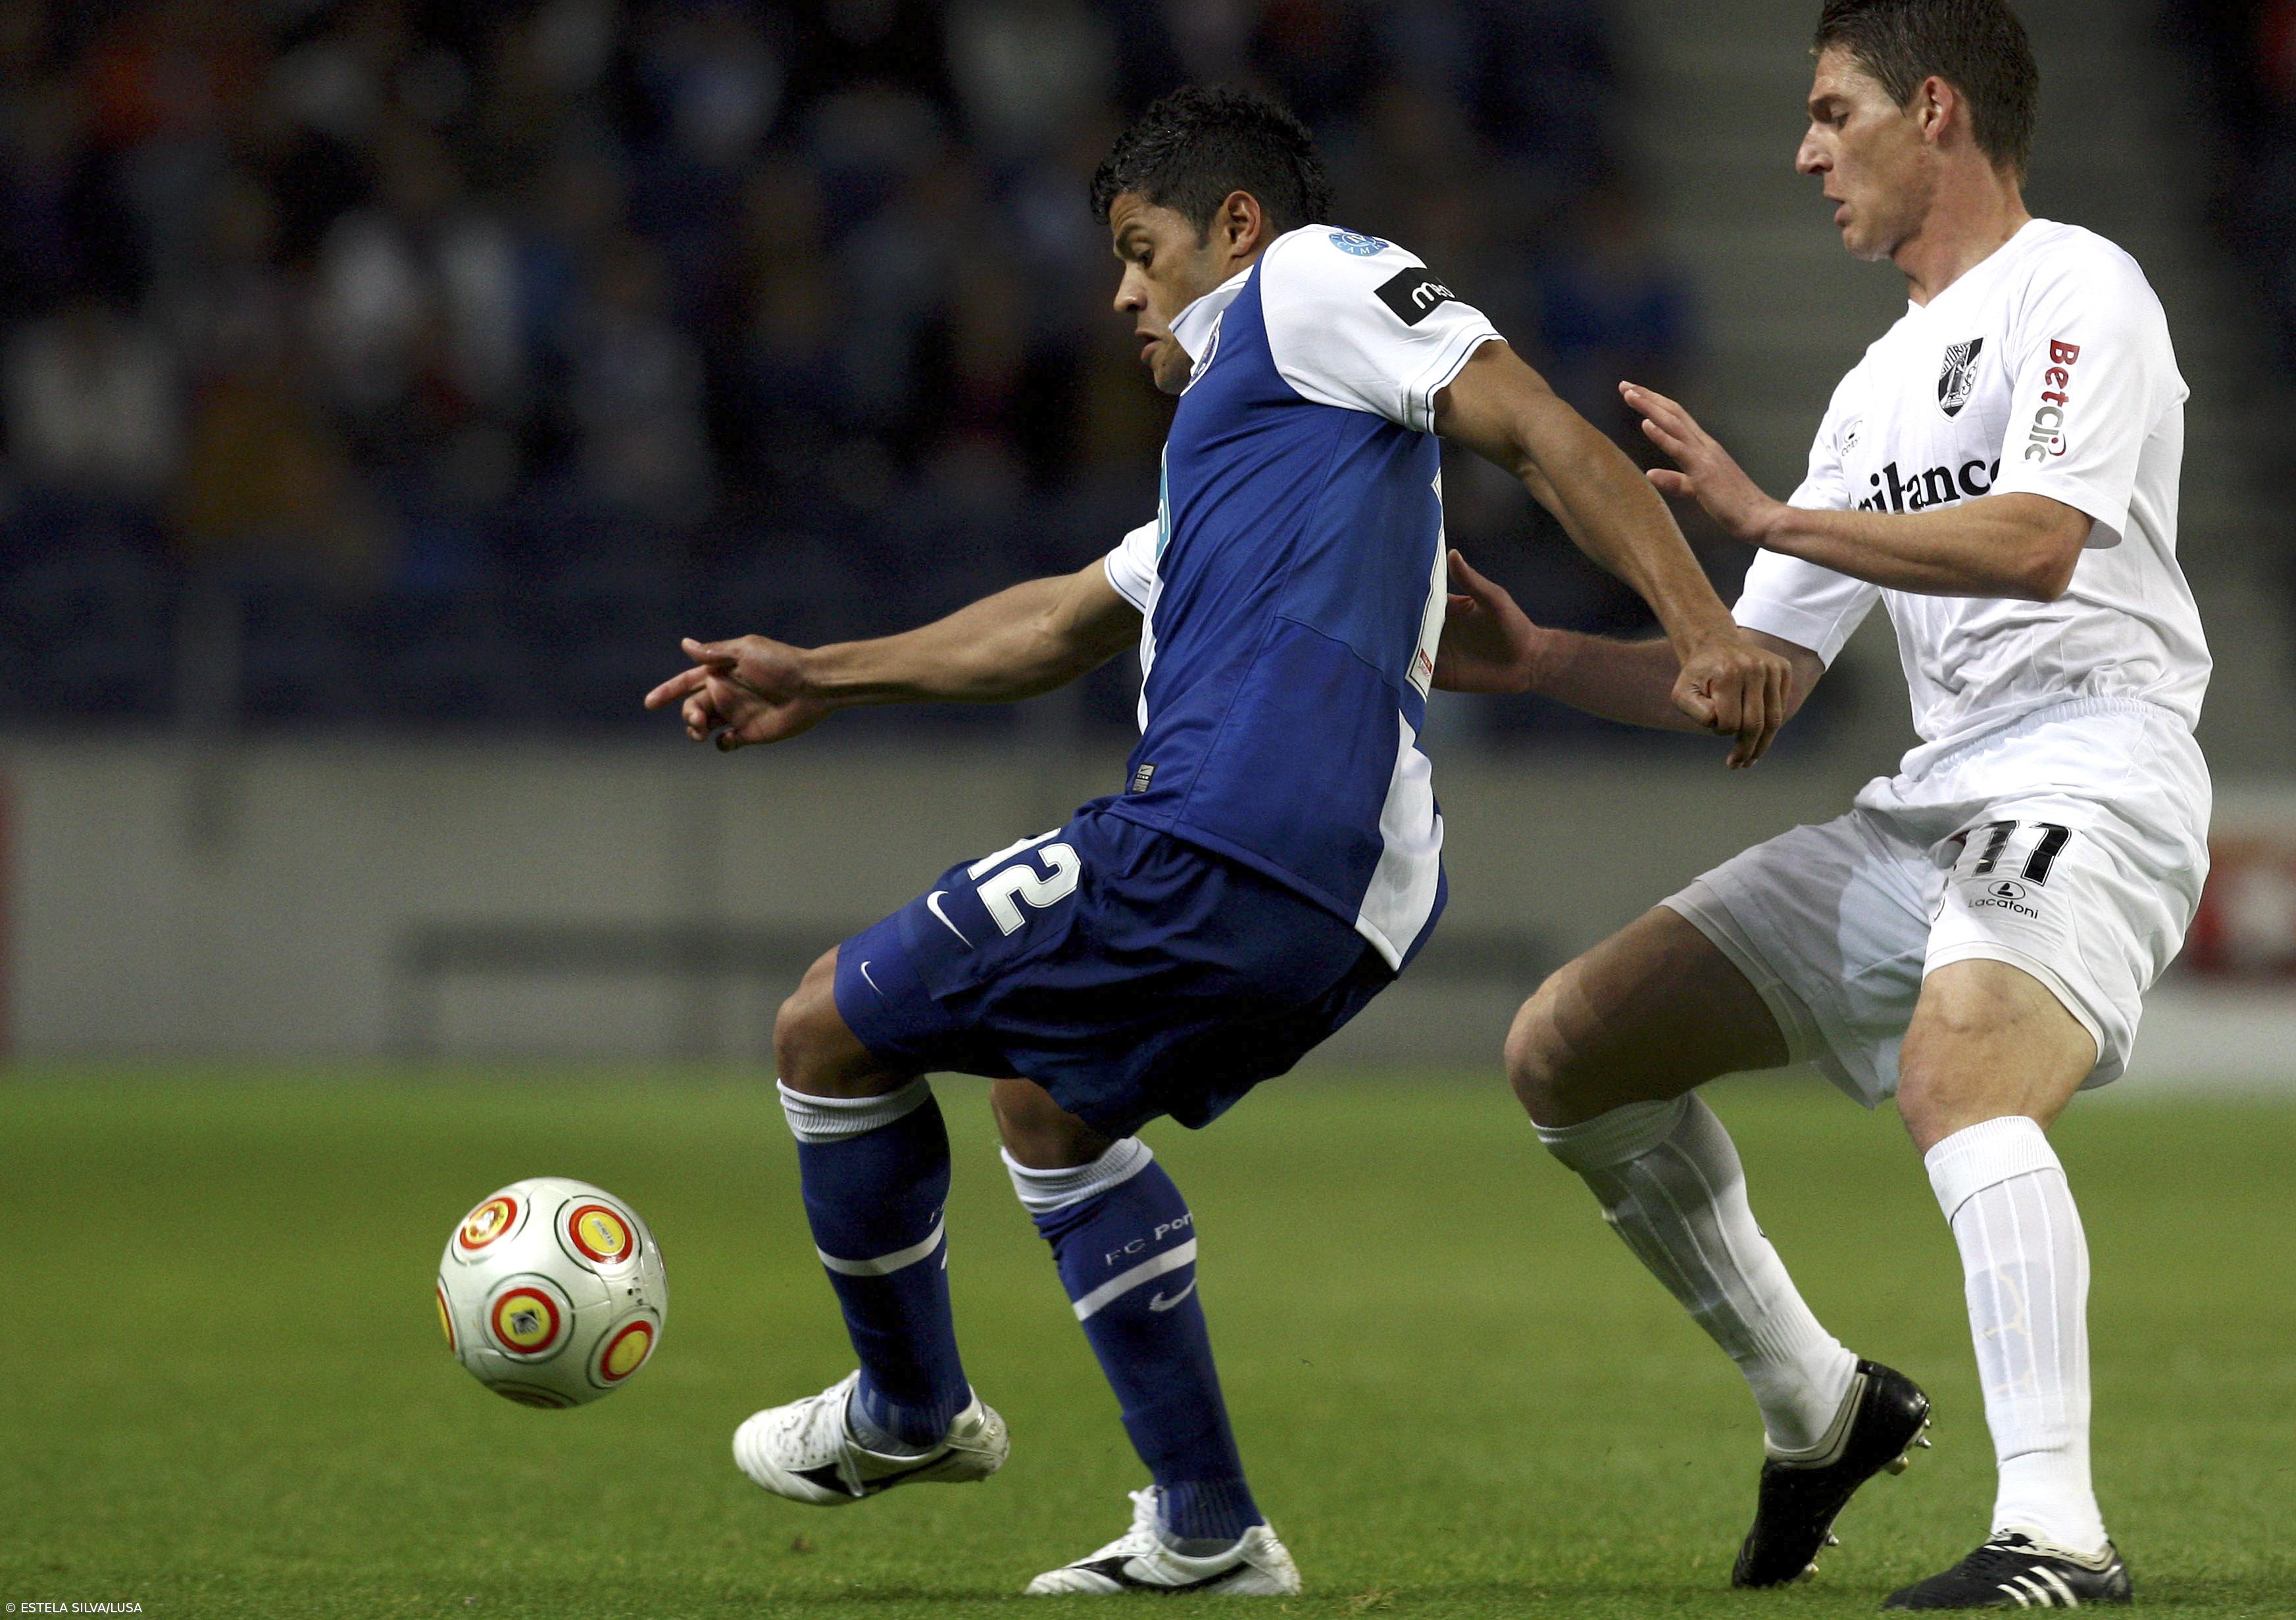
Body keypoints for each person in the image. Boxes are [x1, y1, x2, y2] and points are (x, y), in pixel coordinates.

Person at [645, 84, 1791, 1597]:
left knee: (821, 1029)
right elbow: (1049, 623)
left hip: (1234, 832)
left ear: (1236, 230)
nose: (1123, 290)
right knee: (1050, 1115)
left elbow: (1537, 424)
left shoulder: (1309, 286)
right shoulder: (1252, 458)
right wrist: (822, 674)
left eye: (1143, 247)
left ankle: (909, 1411)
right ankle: (1206, 1528)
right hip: (1344, 893)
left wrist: (1701, 623)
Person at [1435, 0, 2207, 1609]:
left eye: (1831, 111)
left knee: (1963, 1077)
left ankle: (2056, 1537)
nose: (1805, 153)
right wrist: (1546, 661)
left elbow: (2040, 544)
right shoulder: (1872, 389)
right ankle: (1820, 1403)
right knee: (1568, 1051)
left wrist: (1775, 519)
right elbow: (1750, 676)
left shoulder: (2084, 290)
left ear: (1935, 113)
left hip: (2098, 761)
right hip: (1930, 802)